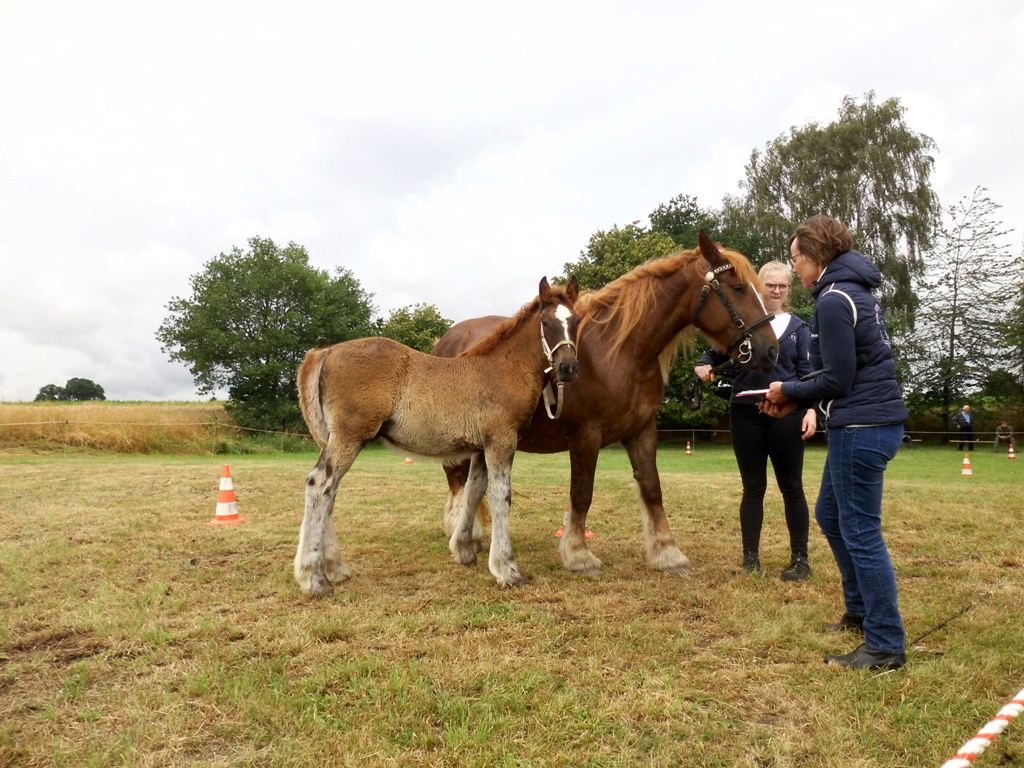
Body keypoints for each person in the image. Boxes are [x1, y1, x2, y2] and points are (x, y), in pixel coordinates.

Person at [761, 215, 908, 671]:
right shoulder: (853, 291)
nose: (794, 268)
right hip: (870, 422)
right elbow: (844, 372)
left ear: (813, 255)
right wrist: (796, 398)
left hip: (862, 426)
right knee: (830, 513)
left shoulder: (833, 299)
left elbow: (839, 378)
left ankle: (884, 643)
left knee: (860, 530)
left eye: (795, 259)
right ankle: (860, 612)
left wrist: (787, 390)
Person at [695, 262, 816, 580]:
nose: (776, 291)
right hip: (745, 413)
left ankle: (800, 559)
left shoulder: (799, 329)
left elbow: (808, 375)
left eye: (782, 286)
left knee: (792, 488)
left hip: (786, 414)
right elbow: (713, 355)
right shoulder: (741, 323)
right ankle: (750, 558)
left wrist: (811, 410)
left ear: (789, 289)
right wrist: (703, 366)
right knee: (752, 488)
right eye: (770, 285)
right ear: (758, 286)